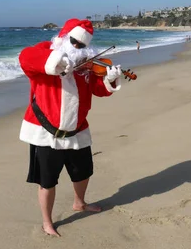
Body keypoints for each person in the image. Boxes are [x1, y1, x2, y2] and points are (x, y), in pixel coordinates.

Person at [18, 18, 123, 237]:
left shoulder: (85, 67)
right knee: (47, 181)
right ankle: (47, 222)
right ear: (65, 38)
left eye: (82, 45)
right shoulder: (46, 53)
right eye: (74, 42)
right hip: (46, 133)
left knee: (83, 173)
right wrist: (55, 61)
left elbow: (98, 89)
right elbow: (26, 57)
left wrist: (109, 80)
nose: (77, 48)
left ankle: (79, 203)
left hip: (78, 131)